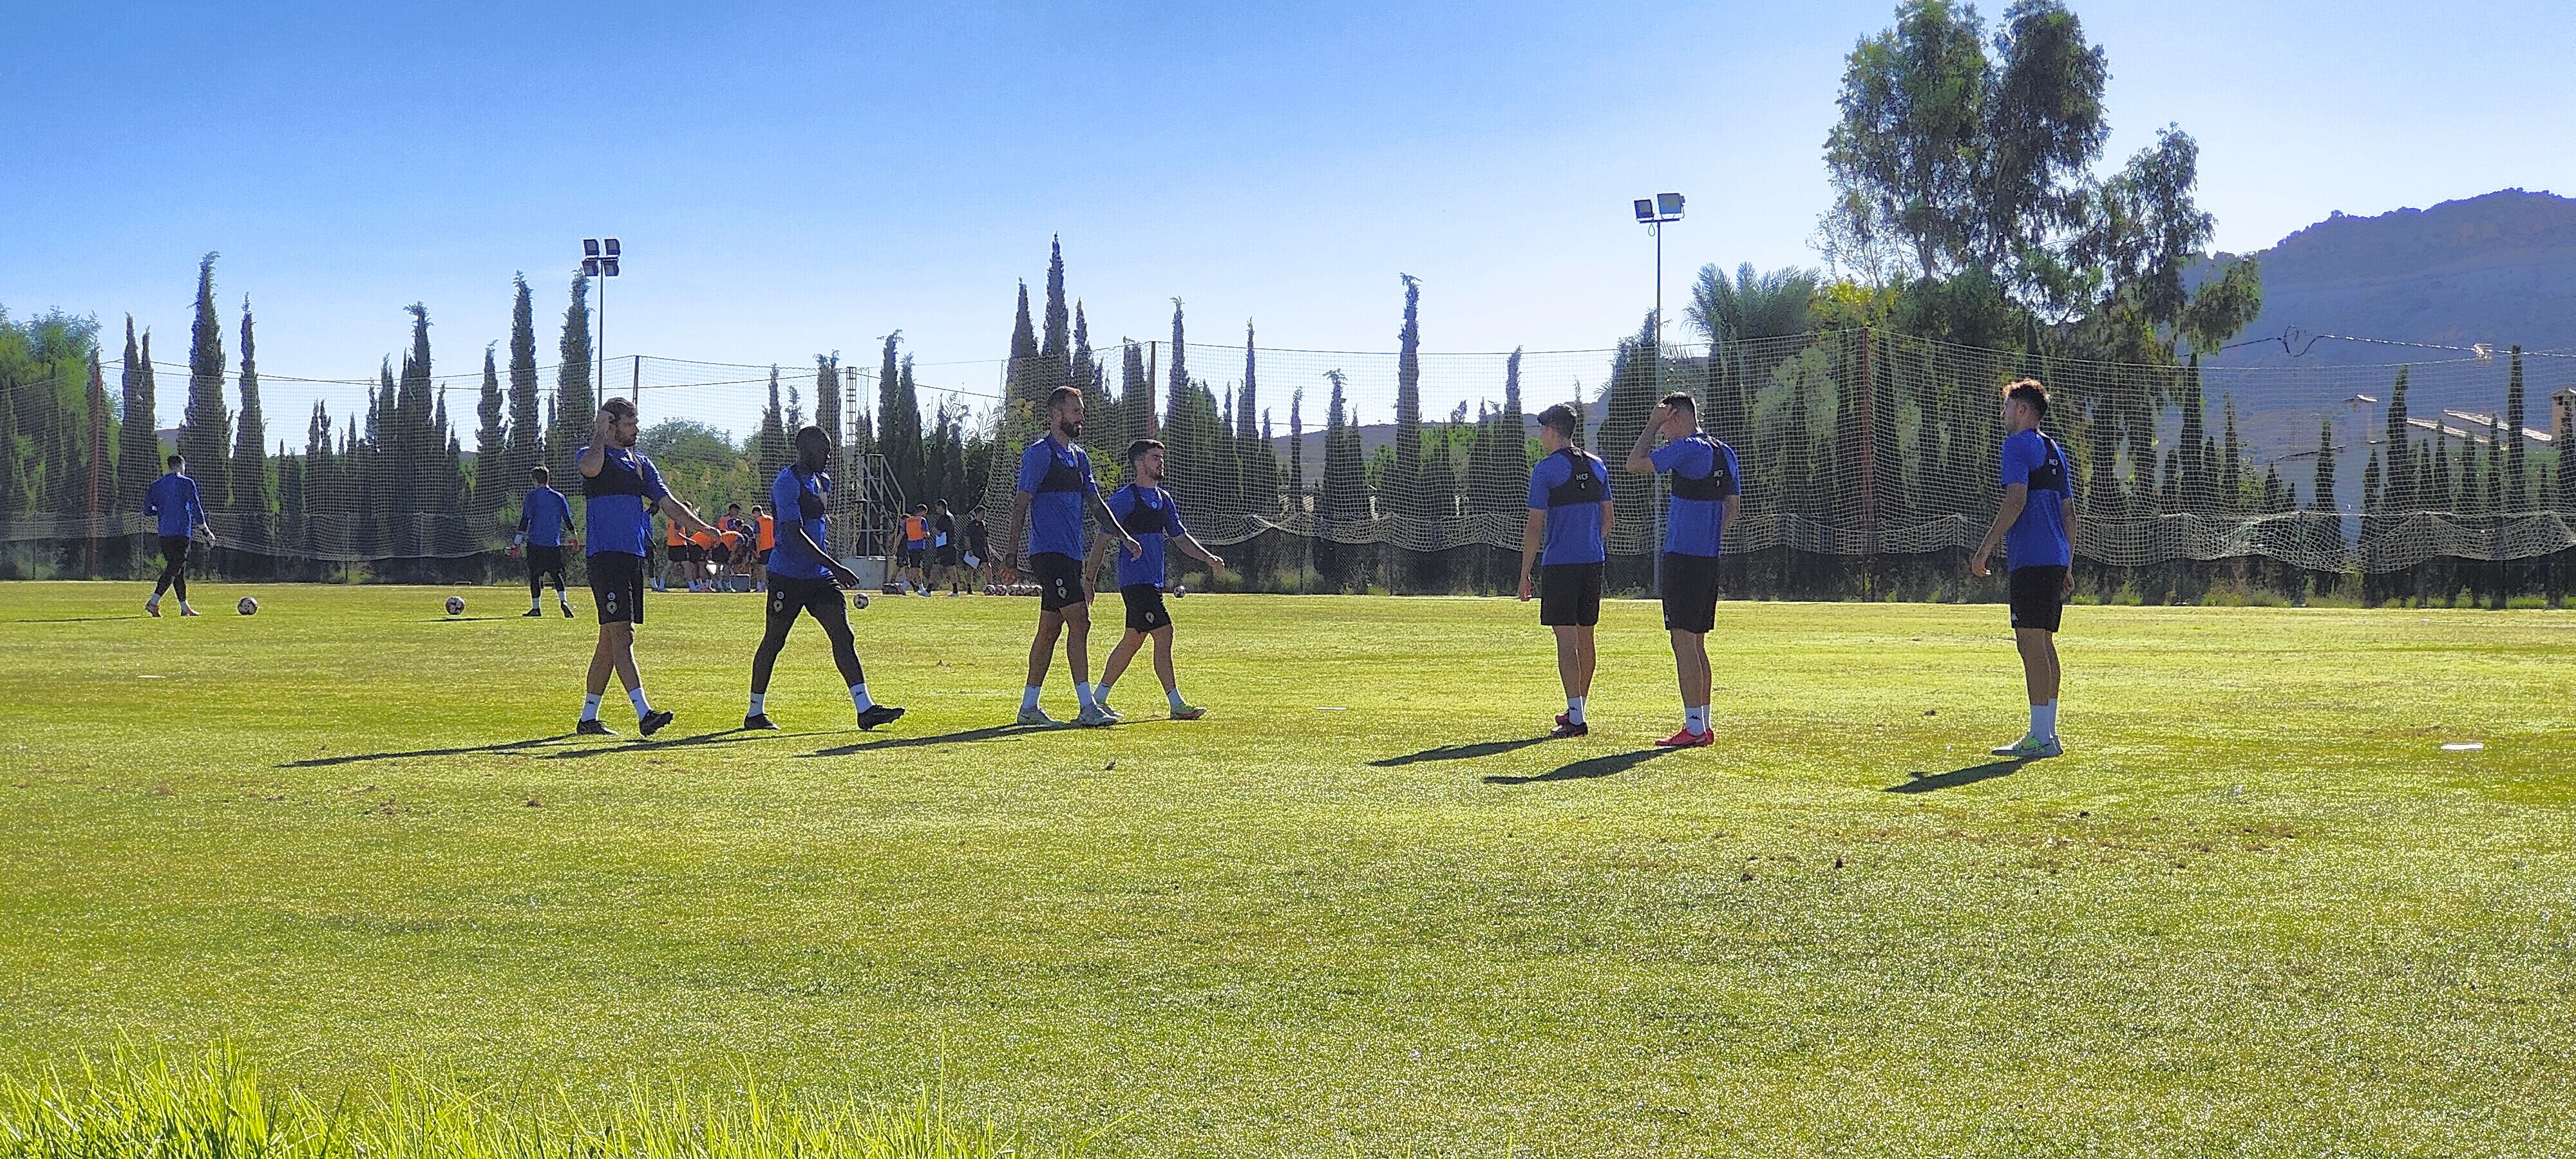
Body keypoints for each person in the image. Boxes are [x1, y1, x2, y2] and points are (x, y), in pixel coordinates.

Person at [575, 397, 722, 737]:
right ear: (612, 424)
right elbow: (590, 470)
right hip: (605, 556)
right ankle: (644, 713)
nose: (636, 430)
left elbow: (667, 502)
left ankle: (588, 718)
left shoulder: (641, 462)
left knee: (609, 642)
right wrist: (600, 433)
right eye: (629, 424)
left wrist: (702, 529)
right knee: (622, 635)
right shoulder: (591, 452)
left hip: (632, 556)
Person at [746, 425, 903, 732]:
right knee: (774, 641)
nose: (829, 456)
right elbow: (793, 533)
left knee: (843, 635)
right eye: (824, 451)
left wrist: (828, 567)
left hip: (819, 578)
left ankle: (865, 708)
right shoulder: (786, 482)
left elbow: (818, 523)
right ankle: (754, 713)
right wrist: (836, 566)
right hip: (787, 576)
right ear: (805, 450)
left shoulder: (823, 481)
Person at [1004, 385, 1140, 727]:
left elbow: (1096, 504)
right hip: (1049, 554)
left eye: (1082, 411)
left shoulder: (1080, 458)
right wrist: (1010, 555)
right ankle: (1087, 706)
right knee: (1080, 622)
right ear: (1057, 415)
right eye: (1076, 410)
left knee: (1050, 629)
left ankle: (1028, 708)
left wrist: (1123, 537)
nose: (1082, 417)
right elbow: (1021, 504)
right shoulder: (1039, 454)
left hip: (1071, 554)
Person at [1971, 378, 2078, 761]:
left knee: (2031, 643)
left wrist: (1984, 549)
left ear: (2023, 410)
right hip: (2052, 557)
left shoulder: (2016, 444)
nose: (2003, 415)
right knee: (2044, 643)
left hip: (2031, 558)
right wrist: (2066, 562)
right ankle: (2048, 734)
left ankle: (2039, 737)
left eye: (2007, 407)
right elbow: (2069, 514)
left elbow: (2015, 500)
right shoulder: (2055, 451)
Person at [1624, 391, 1739, 749]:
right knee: (1697, 645)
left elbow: (1635, 463)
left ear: (1675, 416)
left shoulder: (1688, 447)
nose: (1663, 432)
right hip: (1707, 559)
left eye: (1665, 422)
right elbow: (1733, 507)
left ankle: (1692, 727)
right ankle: (1702, 725)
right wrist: (1709, 536)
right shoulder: (1724, 451)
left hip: (1684, 558)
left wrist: (1650, 423)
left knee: (1683, 643)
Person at [1087, 438, 1227, 721]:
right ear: (1140, 464)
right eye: (1155, 458)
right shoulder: (1126, 498)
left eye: (1161, 458)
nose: (1160, 463)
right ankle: (1176, 704)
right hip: (1135, 582)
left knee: (1133, 640)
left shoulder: (1164, 500)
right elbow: (1102, 538)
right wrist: (1089, 580)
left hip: (1152, 582)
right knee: (1165, 633)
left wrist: (1207, 558)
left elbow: (1180, 538)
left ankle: (1097, 699)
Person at [1519, 403, 1614, 739]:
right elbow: (1608, 520)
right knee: (1586, 637)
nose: (1540, 436)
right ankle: (1578, 708)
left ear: (1553, 431)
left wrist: (1524, 573)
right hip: (1592, 562)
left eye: (1542, 429)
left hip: (1560, 564)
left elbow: (1534, 528)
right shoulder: (1599, 466)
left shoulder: (1546, 470)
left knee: (1566, 641)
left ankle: (1576, 719)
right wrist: (1589, 543)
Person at [142, 453, 211, 617]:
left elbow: (147, 510)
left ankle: (184, 607)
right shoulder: (187, 483)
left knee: (177, 570)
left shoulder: (157, 485)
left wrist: (162, 511)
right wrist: (206, 531)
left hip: (165, 533)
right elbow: (196, 508)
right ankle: (153, 602)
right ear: (182, 466)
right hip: (181, 532)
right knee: (175, 567)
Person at [514, 466, 577, 617]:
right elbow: (567, 519)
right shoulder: (559, 497)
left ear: (535, 480)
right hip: (553, 543)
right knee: (557, 574)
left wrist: (516, 542)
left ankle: (536, 608)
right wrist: (574, 536)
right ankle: (564, 602)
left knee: (535, 576)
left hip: (536, 542)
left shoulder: (532, 496)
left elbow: (525, 520)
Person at [900, 504, 932, 594]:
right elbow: (926, 534)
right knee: (915, 568)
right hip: (919, 546)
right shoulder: (922, 520)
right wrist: (929, 534)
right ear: (923, 512)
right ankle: (904, 586)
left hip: (910, 546)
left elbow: (902, 533)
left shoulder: (908, 520)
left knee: (917, 568)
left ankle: (921, 589)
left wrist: (895, 546)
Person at [932, 499, 961, 596]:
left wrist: (934, 530)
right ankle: (956, 591)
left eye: (938, 507)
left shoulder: (946, 518)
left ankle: (928, 590)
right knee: (951, 569)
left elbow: (940, 533)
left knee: (936, 568)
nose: (937, 510)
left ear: (942, 507)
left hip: (945, 547)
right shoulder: (951, 517)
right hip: (949, 547)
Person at [963, 505, 992, 593]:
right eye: (983, 513)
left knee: (988, 566)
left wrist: (989, 548)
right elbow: (967, 537)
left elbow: (986, 538)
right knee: (970, 569)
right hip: (974, 549)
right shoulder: (972, 525)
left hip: (982, 550)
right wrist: (970, 549)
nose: (984, 515)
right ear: (977, 514)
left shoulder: (984, 525)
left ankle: (990, 586)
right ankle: (969, 588)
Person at [752, 503, 775, 591]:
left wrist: (758, 551)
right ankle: (771, 586)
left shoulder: (758, 521)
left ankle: (761, 587)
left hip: (764, 547)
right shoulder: (771, 519)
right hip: (773, 546)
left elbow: (758, 536)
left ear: (755, 513)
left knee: (761, 567)